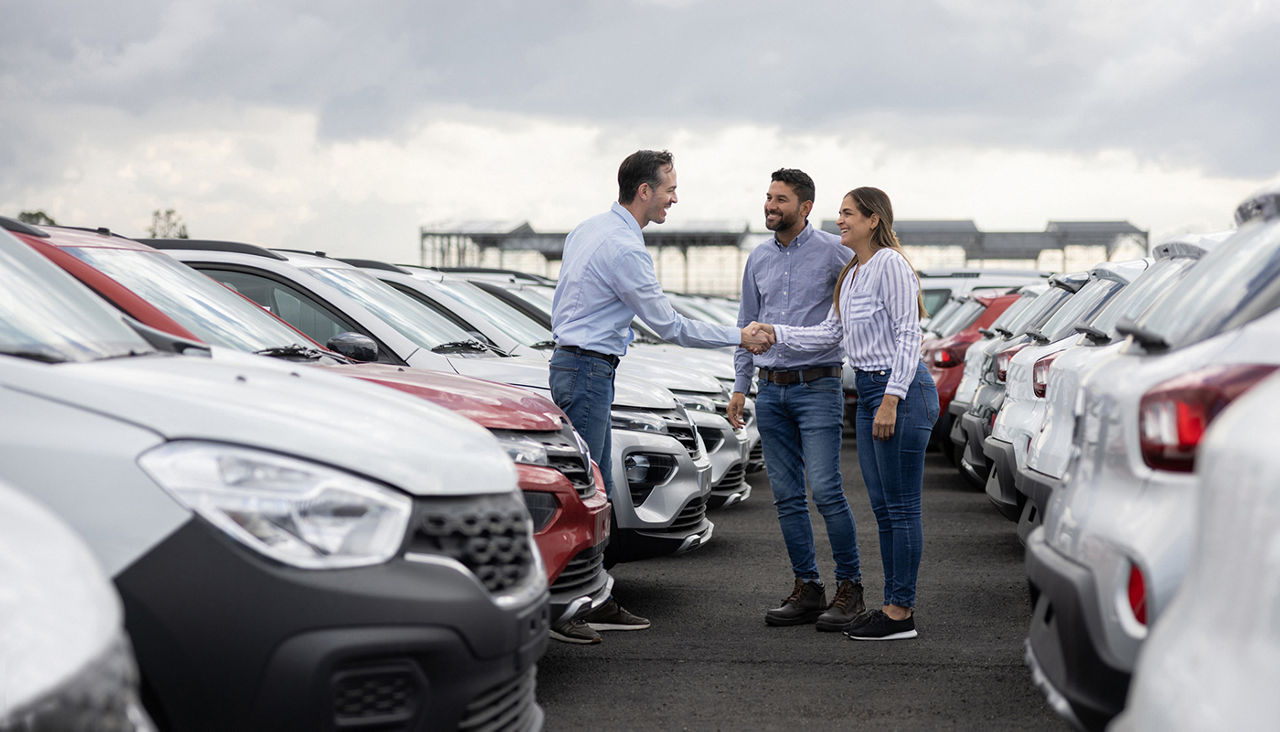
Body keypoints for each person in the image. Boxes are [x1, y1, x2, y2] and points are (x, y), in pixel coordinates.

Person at [550, 149, 774, 643]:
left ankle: (595, 596)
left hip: (576, 365)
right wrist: (741, 336)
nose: (675, 197)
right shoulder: (625, 249)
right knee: (588, 494)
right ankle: (572, 607)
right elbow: (668, 324)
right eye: (670, 188)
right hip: (588, 371)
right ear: (644, 191)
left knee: (595, 491)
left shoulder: (587, 229)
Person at [755, 186, 939, 641]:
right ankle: (891, 606)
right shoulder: (855, 272)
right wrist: (774, 333)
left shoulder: (890, 265)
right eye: (839, 213)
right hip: (872, 389)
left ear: (873, 220)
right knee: (883, 509)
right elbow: (828, 334)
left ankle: (900, 612)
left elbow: (907, 335)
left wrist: (892, 398)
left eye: (848, 213)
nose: (839, 220)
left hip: (899, 390)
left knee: (901, 509)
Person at [727, 168, 865, 631]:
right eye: (768, 197)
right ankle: (808, 588)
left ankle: (851, 588)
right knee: (786, 498)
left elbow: (848, 316)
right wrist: (740, 387)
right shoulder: (758, 258)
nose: (771, 206)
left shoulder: (835, 252)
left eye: (781, 199)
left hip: (818, 387)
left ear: (804, 207)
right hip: (771, 393)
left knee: (826, 490)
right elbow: (747, 323)